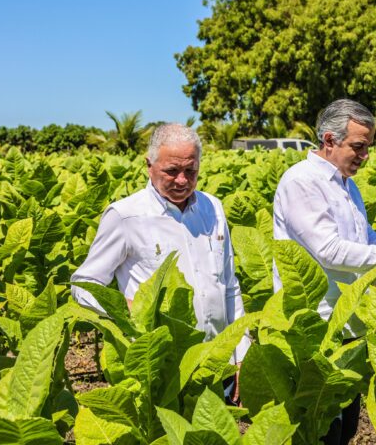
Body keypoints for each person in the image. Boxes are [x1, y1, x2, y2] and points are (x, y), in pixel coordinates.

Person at [272, 98, 376, 445]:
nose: (365, 155)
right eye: (359, 146)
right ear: (329, 140)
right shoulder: (301, 182)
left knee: (346, 427)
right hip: (315, 326)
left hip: (349, 321)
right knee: (322, 430)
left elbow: (363, 237)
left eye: (367, 147)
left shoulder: (347, 184)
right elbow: (329, 251)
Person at [71, 123, 249, 395]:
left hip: (216, 364)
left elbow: (228, 285)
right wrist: (127, 306)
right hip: (161, 372)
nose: (182, 180)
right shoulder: (125, 216)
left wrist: (241, 355)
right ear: (149, 165)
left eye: (191, 171)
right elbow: (83, 284)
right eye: (172, 171)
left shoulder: (213, 207)